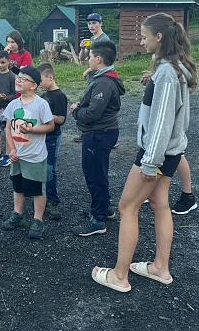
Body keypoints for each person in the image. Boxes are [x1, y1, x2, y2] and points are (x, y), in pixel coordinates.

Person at [91, 13, 197, 293]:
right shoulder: (172, 69)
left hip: (156, 155)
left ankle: (119, 275)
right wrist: (154, 78)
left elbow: (162, 122)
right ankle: (160, 267)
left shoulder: (167, 74)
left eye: (144, 36)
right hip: (170, 153)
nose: (141, 41)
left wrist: (149, 163)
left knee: (127, 207)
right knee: (159, 203)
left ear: (159, 37)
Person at [70, 40, 125, 237]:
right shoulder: (106, 78)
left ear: (99, 59)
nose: (89, 60)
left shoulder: (103, 82)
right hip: (102, 132)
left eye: (91, 56)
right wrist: (81, 107)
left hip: (99, 133)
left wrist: (76, 112)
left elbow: (93, 113)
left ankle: (98, 219)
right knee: (98, 172)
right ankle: (104, 208)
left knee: (94, 174)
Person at [1, 65, 55, 239]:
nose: (18, 80)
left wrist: (32, 130)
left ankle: (38, 219)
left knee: (37, 189)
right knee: (18, 186)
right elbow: (8, 129)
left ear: (33, 85)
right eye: (18, 77)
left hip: (34, 156)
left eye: (23, 79)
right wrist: (11, 149)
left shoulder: (41, 104)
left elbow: (50, 125)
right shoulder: (13, 104)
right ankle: (18, 214)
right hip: (17, 155)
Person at [141, 69, 197, 215]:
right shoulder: (166, 67)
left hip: (171, 125)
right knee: (173, 154)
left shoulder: (173, 68)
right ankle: (152, 192)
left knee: (178, 154)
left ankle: (188, 196)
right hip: (167, 123)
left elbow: (186, 86)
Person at [74, 12, 112, 143]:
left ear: (100, 24)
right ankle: (87, 132)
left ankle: (107, 134)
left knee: (100, 106)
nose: (91, 25)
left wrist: (88, 70)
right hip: (93, 79)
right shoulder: (91, 39)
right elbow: (82, 58)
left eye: (94, 23)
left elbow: (105, 61)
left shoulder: (104, 40)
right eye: (89, 23)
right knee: (89, 103)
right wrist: (83, 48)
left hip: (102, 78)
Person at [38, 62, 68, 221]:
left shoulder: (59, 96)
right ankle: (41, 196)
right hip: (42, 136)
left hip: (53, 138)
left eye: (41, 80)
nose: (39, 83)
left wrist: (45, 115)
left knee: (50, 169)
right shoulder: (44, 96)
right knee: (41, 168)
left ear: (50, 77)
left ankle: (52, 200)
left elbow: (61, 119)